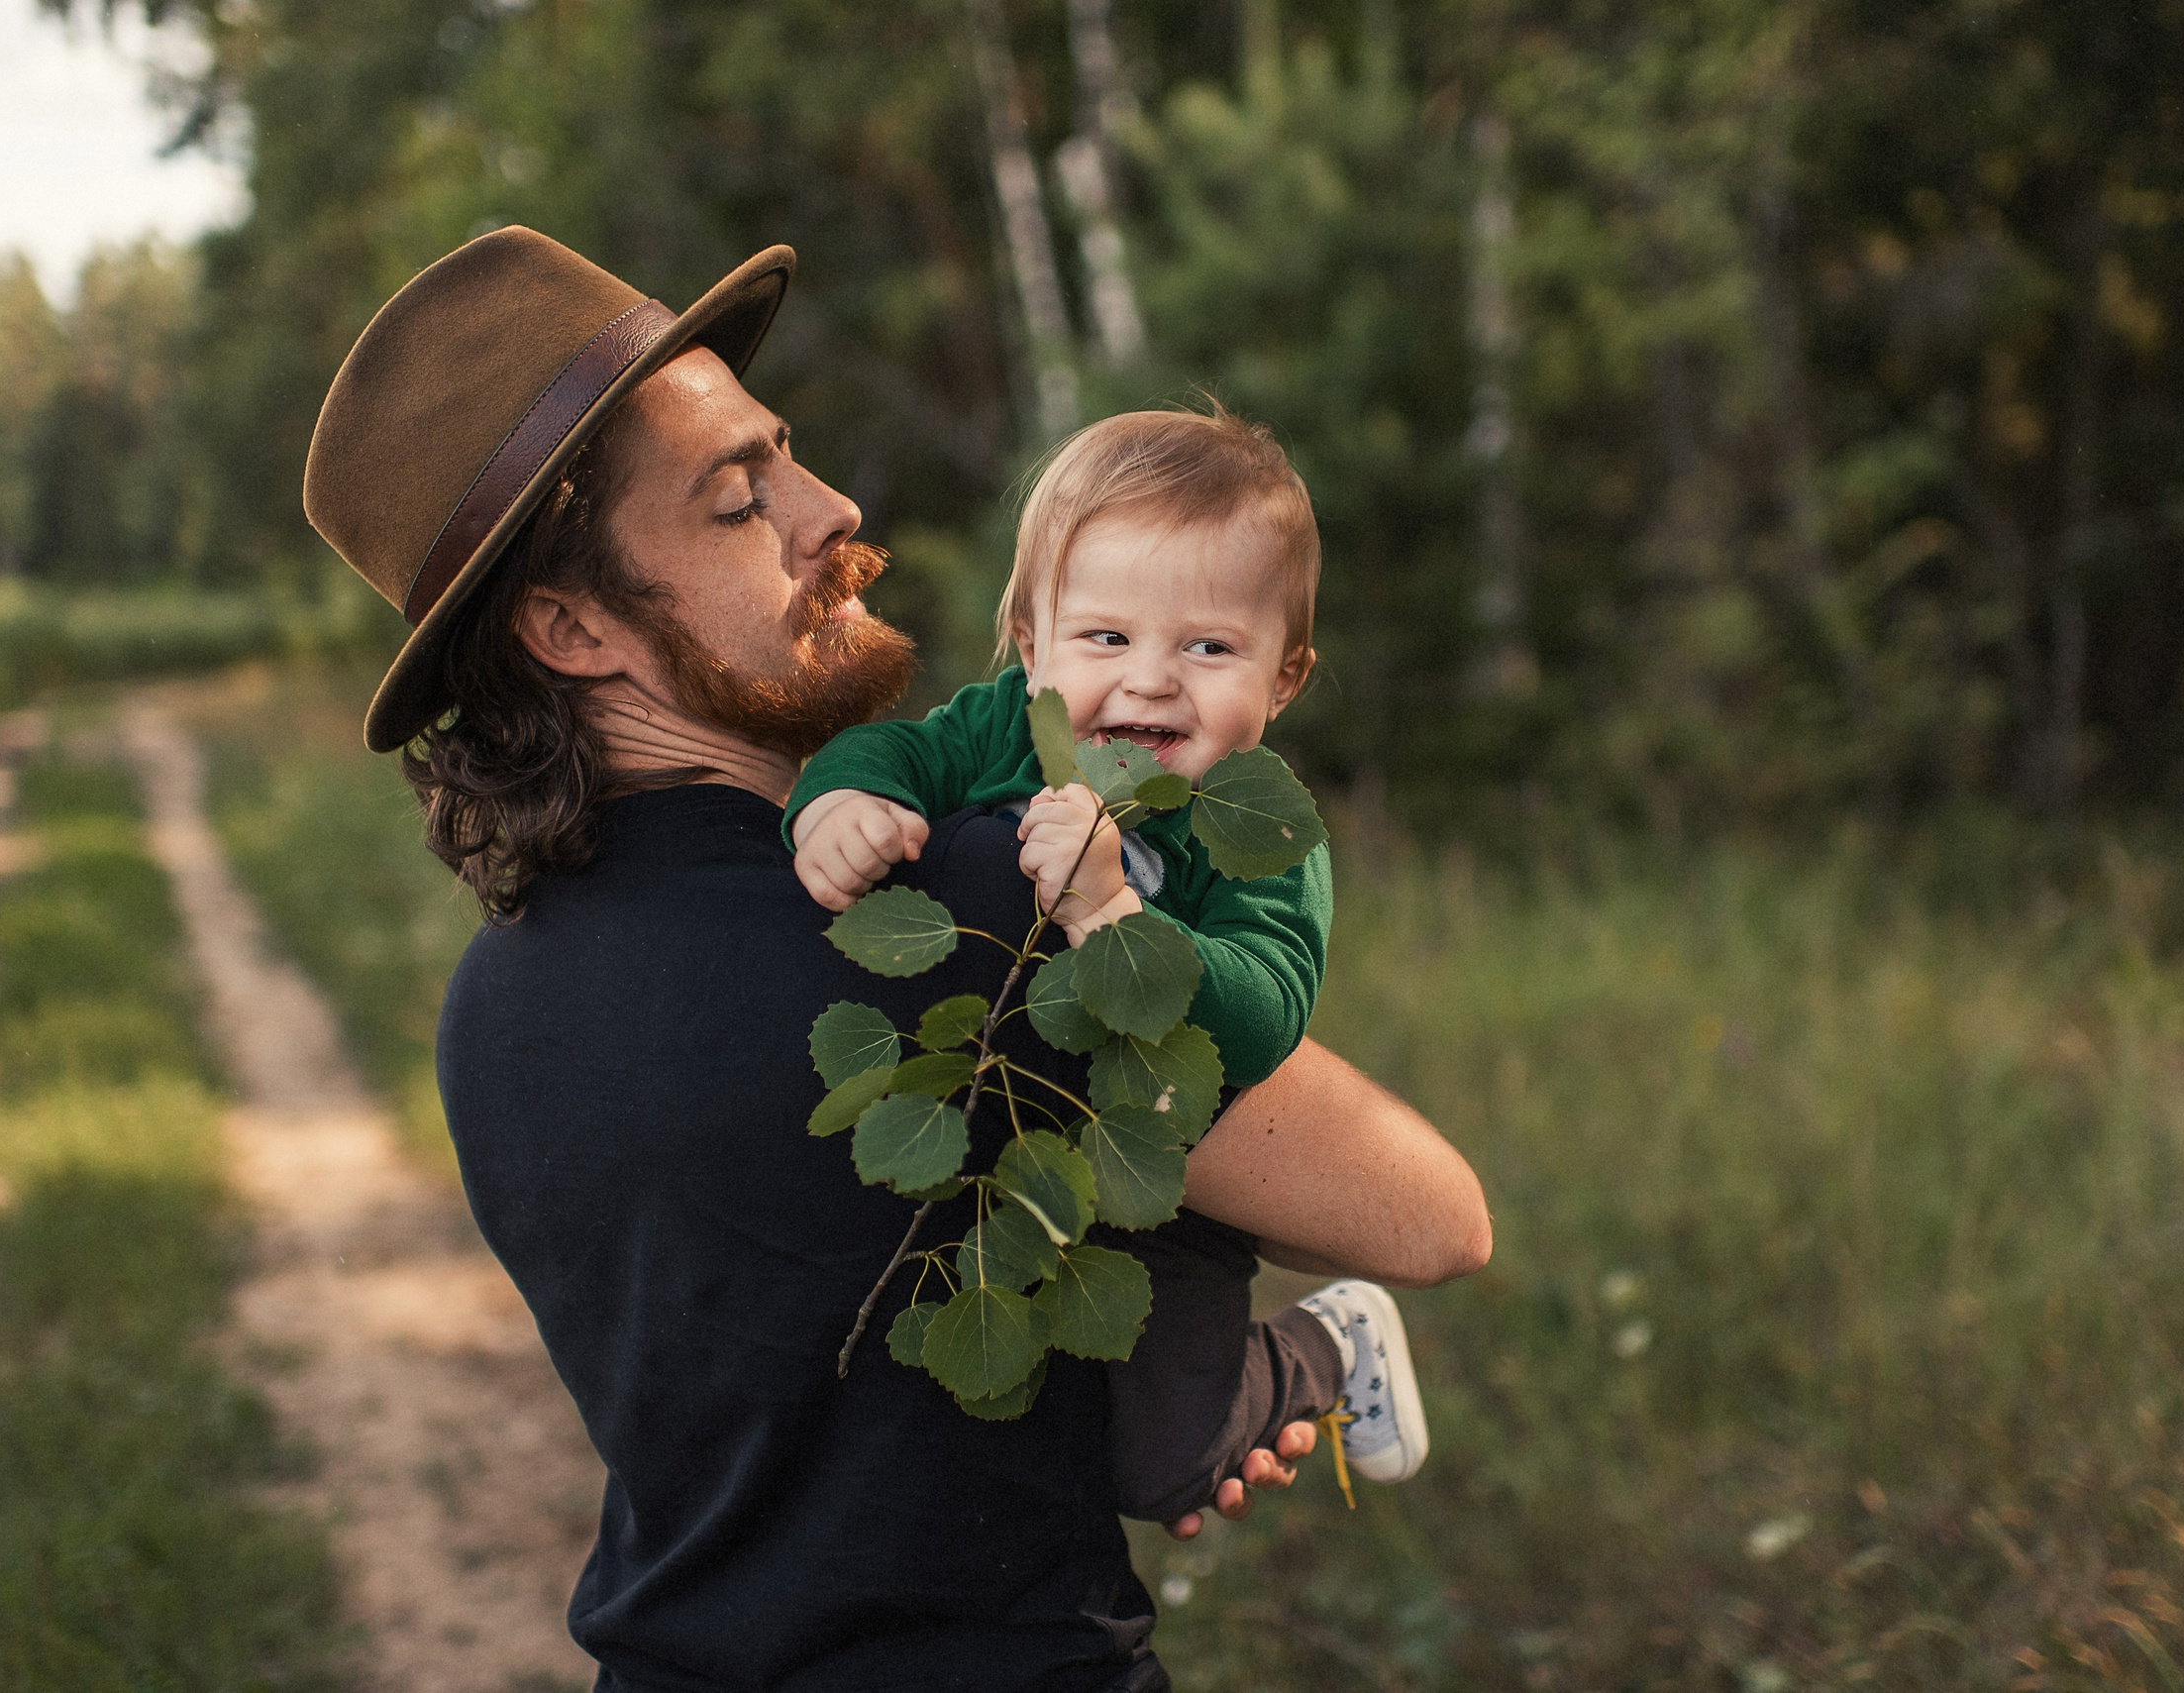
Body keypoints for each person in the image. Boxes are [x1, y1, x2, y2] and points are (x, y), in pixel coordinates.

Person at [301, 224, 1491, 1691]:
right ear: (567, 623)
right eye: (743, 500)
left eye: (785, 454)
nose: (832, 506)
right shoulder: (974, 909)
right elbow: (1432, 1220)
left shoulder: (491, 1006)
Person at [784, 405, 1425, 1523]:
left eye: (1210, 646)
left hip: (1163, 1175)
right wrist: (842, 801)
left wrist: (1114, 912)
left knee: (1163, 1467)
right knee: (1016, 1419)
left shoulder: (1259, 829)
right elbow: (890, 746)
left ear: (1286, 677)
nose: (1151, 681)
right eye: (1105, 638)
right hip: (1012, 1137)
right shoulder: (1001, 727)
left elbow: (1267, 1014)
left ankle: (1326, 1342)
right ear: (1032, 647)